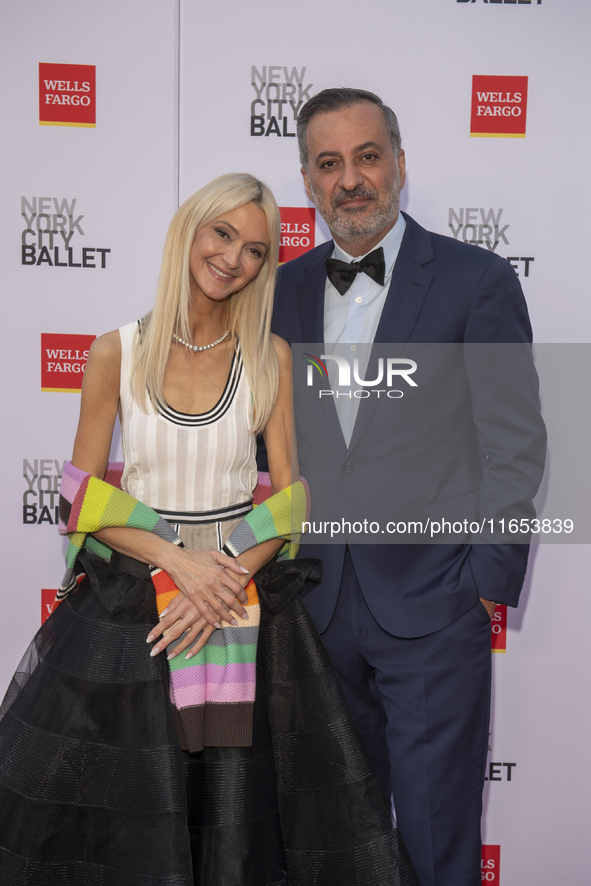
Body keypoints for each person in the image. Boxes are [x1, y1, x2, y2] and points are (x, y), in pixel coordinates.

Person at [0, 172, 407, 886]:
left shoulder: (270, 358)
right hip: (132, 612)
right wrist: (173, 563)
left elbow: (288, 501)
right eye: (223, 235)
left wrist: (220, 577)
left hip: (240, 609)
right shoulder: (114, 353)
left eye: (255, 250)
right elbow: (82, 496)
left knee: (236, 821)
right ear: (190, 231)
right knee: (127, 818)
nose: (234, 259)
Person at [269, 89, 546, 886]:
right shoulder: (279, 294)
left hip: (433, 608)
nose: (350, 179)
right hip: (314, 609)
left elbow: (514, 445)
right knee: (329, 843)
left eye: (365, 156)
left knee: (435, 841)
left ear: (398, 163)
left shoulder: (475, 281)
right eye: (328, 164)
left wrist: (481, 587)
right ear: (306, 180)